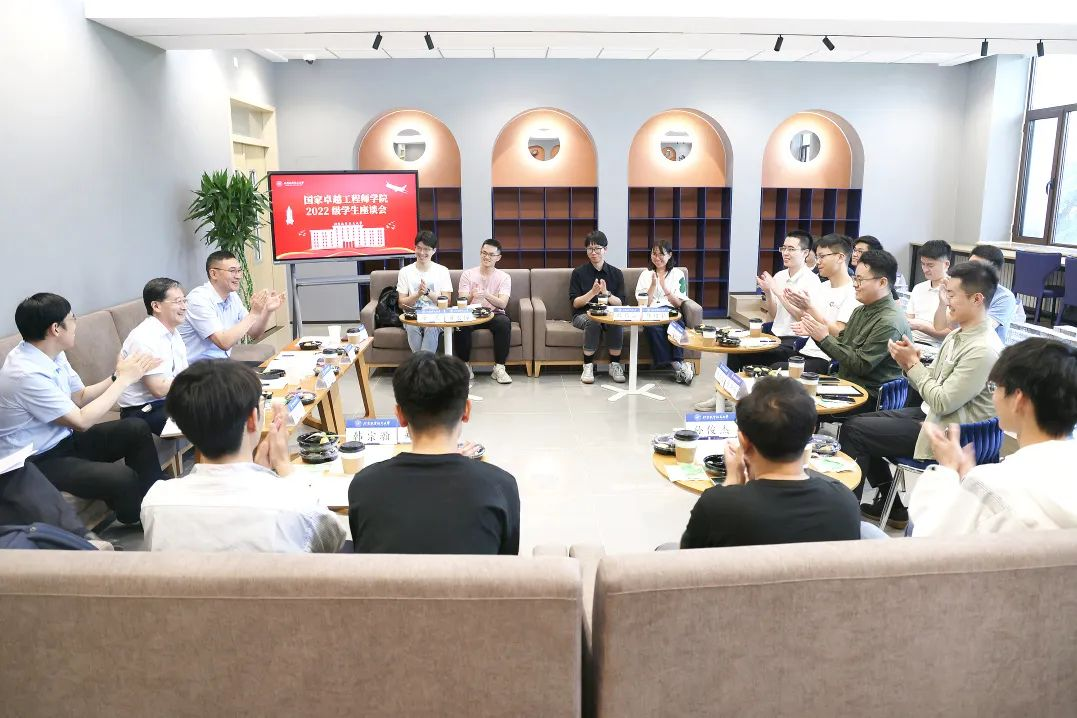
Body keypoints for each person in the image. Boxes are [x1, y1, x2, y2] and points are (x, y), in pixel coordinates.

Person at [841, 262, 1004, 526]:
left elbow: (942, 401)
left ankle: (845, 520)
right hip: (933, 416)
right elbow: (933, 387)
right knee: (857, 422)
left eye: (951, 294)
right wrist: (909, 364)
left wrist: (913, 366)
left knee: (856, 431)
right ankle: (890, 507)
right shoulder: (957, 335)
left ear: (977, 299)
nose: (946, 301)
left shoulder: (982, 349)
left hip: (952, 432)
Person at [140, 359, 345, 552]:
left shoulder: (155, 502)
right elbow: (334, 540)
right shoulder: (295, 502)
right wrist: (284, 466)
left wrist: (259, 472)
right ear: (252, 419)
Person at [0, 293, 164, 525]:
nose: (76, 324)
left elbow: (79, 396)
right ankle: (138, 519)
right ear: (56, 329)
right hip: (35, 461)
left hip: (64, 440)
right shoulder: (24, 374)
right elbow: (81, 421)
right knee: (121, 477)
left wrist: (117, 375)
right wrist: (124, 381)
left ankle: (157, 503)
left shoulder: (52, 353)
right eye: (73, 318)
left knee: (136, 428)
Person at [347, 352, 520, 554]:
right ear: (466, 410)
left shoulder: (364, 485)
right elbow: (506, 563)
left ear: (400, 415)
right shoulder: (501, 486)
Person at [909, 338, 1077, 535]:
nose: (993, 396)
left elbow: (930, 537)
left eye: (995, 387)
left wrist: (947, 471)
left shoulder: (991, 484)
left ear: (1018, 400)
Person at [679, 376, 860, 549]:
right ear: (811, 432)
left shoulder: (716, 506)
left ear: (743, 441)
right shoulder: (844, 502)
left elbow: (688, 562)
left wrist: (731, 483)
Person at [798, 250, 909, 402]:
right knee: (794, 392)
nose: (855, 285)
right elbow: (843, 345)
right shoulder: (861, 310)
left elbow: (861, 365)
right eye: (855, 278)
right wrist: (817, 334)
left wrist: (824, 338)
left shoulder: (890, 322)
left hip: (870, 393)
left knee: (803, 403)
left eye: (860, 280)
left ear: (882, 282)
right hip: (847, 383)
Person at [730, 230, 821, 372]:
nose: (785, 253)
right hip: (775, 335)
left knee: (754, 355)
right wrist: (767, 291)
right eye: (783, 248)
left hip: (795, 340)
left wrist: (777, 292)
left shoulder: (812, 281)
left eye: (791, 249)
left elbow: (802, 318)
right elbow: (773, 314)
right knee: (735, 348)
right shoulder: (780, 276)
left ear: (805, 253)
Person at [179, 250, 285, 363]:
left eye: (239, 270)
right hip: (197, 368)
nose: (238, 276)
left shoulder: (232, 296)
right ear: (214, 274)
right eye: (232, 271)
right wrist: (253, 314)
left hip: (222, 362)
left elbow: (255, 333)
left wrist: (267, 311)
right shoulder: (198, 299)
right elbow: (224, 343)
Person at [117, 278, 189, 435]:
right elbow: (158, 389)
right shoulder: (144, 337)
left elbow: (182, 374)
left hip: (168, 401)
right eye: (178, 302)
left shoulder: (173, 332)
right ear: (156, 306)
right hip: (143, 411)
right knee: (210, 417)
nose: (184, 306)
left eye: (184, 300)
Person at [781, 233, 860, 374]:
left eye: (822, 257)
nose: (818, 262)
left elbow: (839, 332)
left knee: (775, 370)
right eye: (817, 257)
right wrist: (800, 309)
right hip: (806, 350)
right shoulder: (822, 287)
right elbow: (806, 320)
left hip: (826, 358)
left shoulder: (853, 292)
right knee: (757, 358)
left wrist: (809, 308)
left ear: (840, 257)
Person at [569, 230, 627, 384]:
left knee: (615, 321)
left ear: (605, 249)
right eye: (590, 249)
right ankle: (587, 366)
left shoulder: (616, 273)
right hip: (583, 315)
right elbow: (575, 303)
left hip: (608, 314)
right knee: (593, 321)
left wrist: (606, 293)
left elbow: (620, 303)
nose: (593, 252)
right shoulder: (578, 273)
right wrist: (592, 293)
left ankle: (615, 365)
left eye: (597, 248)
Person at [932, 244, 1021, 343]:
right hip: (959, 343)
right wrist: (944, 302)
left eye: (977, 268)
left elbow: (979, 330)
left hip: (981, 347)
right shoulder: (961, 289)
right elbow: (939, 326)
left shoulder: (1005, 297)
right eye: (969, 265)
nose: (969, 271)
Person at [454, 239, 513, 385]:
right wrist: (471, 295)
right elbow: (462, 302)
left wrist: (486, 295)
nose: (486, 257)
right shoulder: (468, 274)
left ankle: (499, 368)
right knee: (460, 324)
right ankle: (465, 366)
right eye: (484, 253)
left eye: (491, 255)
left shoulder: (504, 277)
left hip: (494, 314)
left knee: (504, 322)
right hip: (471, 313)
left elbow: (503, 303)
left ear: (498, 257)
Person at [634, 240, 694, 384]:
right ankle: (678, 366)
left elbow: (678, 303)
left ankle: (678, 366)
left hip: (670, 310)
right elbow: (644, 303)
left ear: (670, 255)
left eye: (661, 254)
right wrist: (653, 285)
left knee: (676, 325)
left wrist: (665, 288)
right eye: (654, 254)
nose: (657, 258)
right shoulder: (645, 274)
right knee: (652, 328)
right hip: (650, 312)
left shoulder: (678, 274)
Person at [396, 230, 453, 353]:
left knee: (431, 328)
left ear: (434, 251)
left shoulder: (442, 271)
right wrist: (418, 294)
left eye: (426, 249)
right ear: (415, 248)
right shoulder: (405, 272)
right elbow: (401, 304)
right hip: (413, 316)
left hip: (435, 316)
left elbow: (447, 302)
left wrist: (428, 292)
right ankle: (425, 364)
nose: (422, 253)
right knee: (411, 327)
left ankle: (420, 364)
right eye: (419, 248)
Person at [905, 239, 952, 348]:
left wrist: (921, 326)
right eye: (923, 264)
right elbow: (908, 320)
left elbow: (951, 333)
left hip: (937, 347)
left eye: (930, 265)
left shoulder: (954, 291)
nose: (925, 269)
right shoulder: (918, 288)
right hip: (912, 341)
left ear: (946, 264)